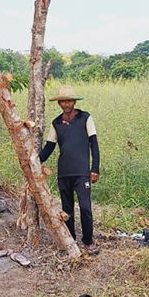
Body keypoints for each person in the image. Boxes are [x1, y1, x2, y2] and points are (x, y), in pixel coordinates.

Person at [38, 84, 100, 255]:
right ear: (59, 103)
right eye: (63, 101)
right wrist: (35, 161)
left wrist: (95, 168)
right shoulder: (56, 123)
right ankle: (70, 240)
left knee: (86, 208)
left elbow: (94, 144)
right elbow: (49, 147)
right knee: (67, 209)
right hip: (64, 172)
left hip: (82, 173)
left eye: (69, 101)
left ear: (74, 102)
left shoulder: (85, 118)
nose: (66, 104)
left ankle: (88, 241)